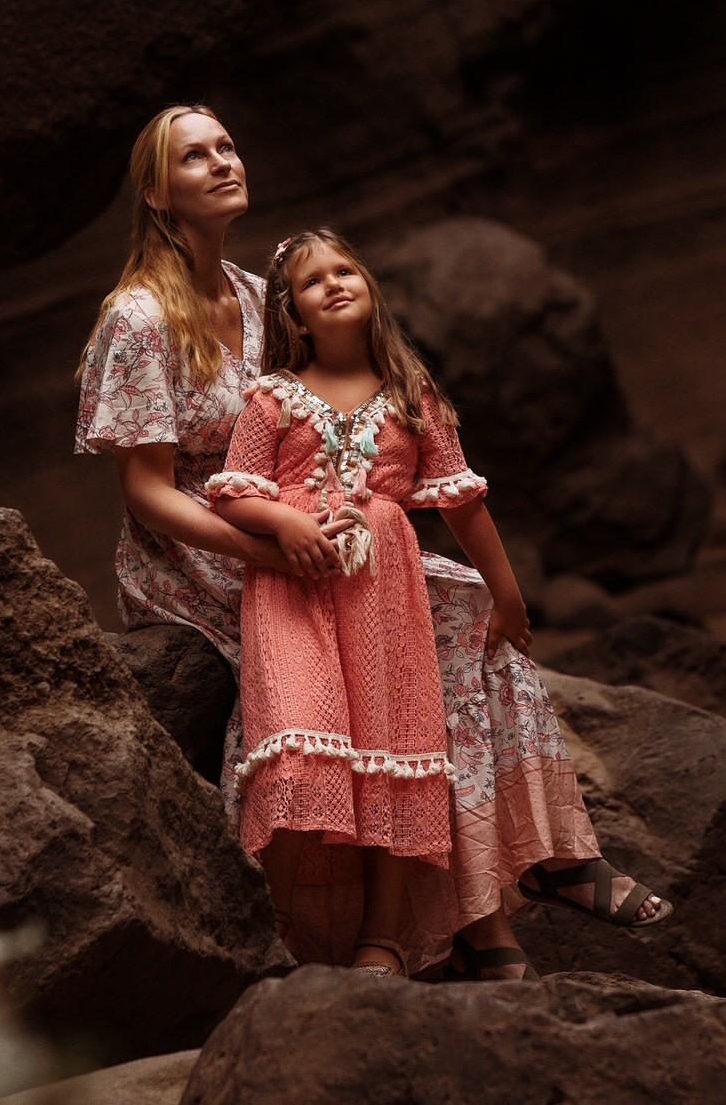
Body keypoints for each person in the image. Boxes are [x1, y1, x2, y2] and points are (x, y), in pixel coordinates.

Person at [74, 104, 671, 981]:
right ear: (158, 193)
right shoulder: (138, 317)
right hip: (203, 550)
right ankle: (449, 919)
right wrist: (277, 545)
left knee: (466, 627)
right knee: (402, 647)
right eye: (194, 157)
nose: (222, 162)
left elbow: (329, 418)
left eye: (229, 146)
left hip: (321, 526)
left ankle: (523, 872)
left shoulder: (252, 292)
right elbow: (147, 493)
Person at [202, 230, 467, 974]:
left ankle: (379, 938)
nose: (336, 284)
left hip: (384, 597)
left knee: (388, 754)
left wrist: (509, 606)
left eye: (347, 268)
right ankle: (273, 932)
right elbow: (233, 494)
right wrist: (285, 519)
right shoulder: (272, 397)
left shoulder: (412, 395)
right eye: (314, 281)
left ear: (372, 284)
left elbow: (463, 501)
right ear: (292, 314)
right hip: (289, 592)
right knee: (294, 743)